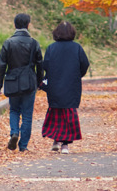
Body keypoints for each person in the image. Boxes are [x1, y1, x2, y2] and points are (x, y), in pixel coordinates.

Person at [0, 13, 44, 152]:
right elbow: (39, 64)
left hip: (12, 81)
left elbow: (2, 65)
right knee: (27, 114)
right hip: (29, 82)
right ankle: (23, 145)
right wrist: (39, 82)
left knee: (14, 110)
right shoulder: (34, 43)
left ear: (14, 25)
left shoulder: (8, 43)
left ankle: (14, 133)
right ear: (28, 25)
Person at [41, 20, 90, 154]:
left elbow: (45, 65)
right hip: (71, 85)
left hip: (55, 85)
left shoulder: (52, 48)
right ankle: (65, 145)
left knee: (56, 111)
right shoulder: (77, 48)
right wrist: (77, 75)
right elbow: (85, 64)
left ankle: (56, 140)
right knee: (68, 112)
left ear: (57, 33)